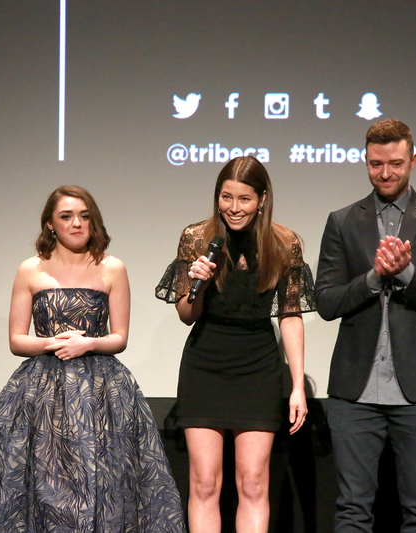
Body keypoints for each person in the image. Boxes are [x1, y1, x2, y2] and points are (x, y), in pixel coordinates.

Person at [0, 185, 185, 532]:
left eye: (84, 216)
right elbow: (16, 339)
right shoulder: (30, 269)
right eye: (66, 216)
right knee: (43, 482)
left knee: (105, 480)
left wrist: (87, 343)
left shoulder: (112, 268)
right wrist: (51, 344)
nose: (77, 223)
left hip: (100, 391)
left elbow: (120, 338)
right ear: (50, 224)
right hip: (41, 391)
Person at [314, 119, 416, 532]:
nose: (385, 173)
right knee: (351, 509)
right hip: (355, 389)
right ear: (365, 161)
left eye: (395, 164)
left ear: (414, 160)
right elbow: (325, 302)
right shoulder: (343, 221)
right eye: (375, 164)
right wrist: (373, 278)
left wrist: (408, 274)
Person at [155, 156, 315, 533]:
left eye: (244, 199)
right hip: (204, 364)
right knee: (205, 482)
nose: (233, 208)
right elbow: (186, 313)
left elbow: (290, 315)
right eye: (226, 197)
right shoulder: (197, 238)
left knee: (253, 482)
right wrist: (201, 283)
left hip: (258, 366)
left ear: (262, 199)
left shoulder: (284, 242)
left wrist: (296, 386)